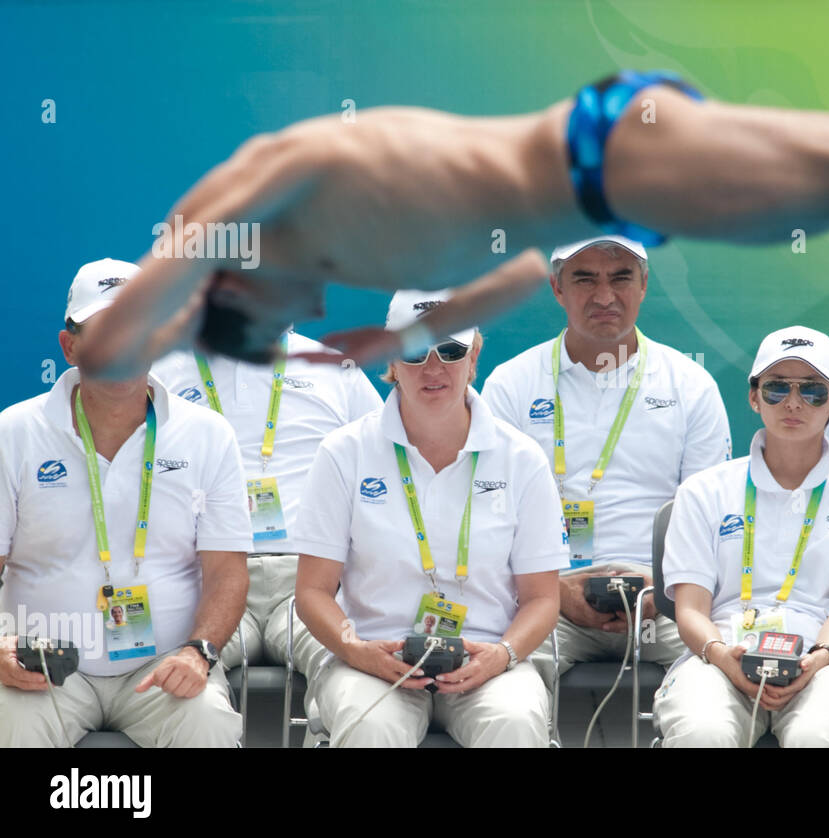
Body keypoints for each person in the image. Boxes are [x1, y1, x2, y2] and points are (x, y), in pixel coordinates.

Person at [75, 19, 829, 379]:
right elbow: (510, 279)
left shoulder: (237, 204)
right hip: (607, 183)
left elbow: (118, 340)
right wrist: (396, 336)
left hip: (608, 157)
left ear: (220, 281)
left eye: (264, 307)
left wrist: (186, 305)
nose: (302, 304)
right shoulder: (302, 241)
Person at [293, 290, 568, 747]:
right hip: (374, 655)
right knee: (369, 726)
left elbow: (542, 599)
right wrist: (355, 649)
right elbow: (312, 591)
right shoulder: (343, 453)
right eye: (416, 350)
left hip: (488, 656)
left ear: (474, 354)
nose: (434, 367)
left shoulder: (522, 457)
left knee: (516, 723)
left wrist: (502, 655)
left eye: (451, 349)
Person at [0, 259, 251, 747]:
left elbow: (227, 571)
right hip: (43, 665)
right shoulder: (13, 433)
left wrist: (199, 652)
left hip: (166, 664)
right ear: (70, 347)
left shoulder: (208, 435)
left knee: (209, 722)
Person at [481, 235, 730, 684]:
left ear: (644, 284)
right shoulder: (511, 385)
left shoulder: (690, 385)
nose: (604, 296)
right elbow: (487, 516)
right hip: (544, 598)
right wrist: (553, 590)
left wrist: (664, 590)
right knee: (496, 685)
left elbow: (712, 519)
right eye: (584, 279)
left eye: (620, 278)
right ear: (557, 289)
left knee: (724, 676)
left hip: (667, 600)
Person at [654, 326, 829, 747]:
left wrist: (818, 657)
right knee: (702, 733)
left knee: (816, 737)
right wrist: (721, 656)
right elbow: (691, 609)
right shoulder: (702, 490)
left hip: (828, 660)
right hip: (719, 656)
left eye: (813, 391)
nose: (793, 402)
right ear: (753, 397)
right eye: (776, 388)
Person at [151, 319, 382, 679]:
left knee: (349, 669)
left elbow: (385, 473)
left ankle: (325, 737)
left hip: (308, 584)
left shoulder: (336, 369)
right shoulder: (161, 370)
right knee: (170, 674)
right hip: (205, 583)